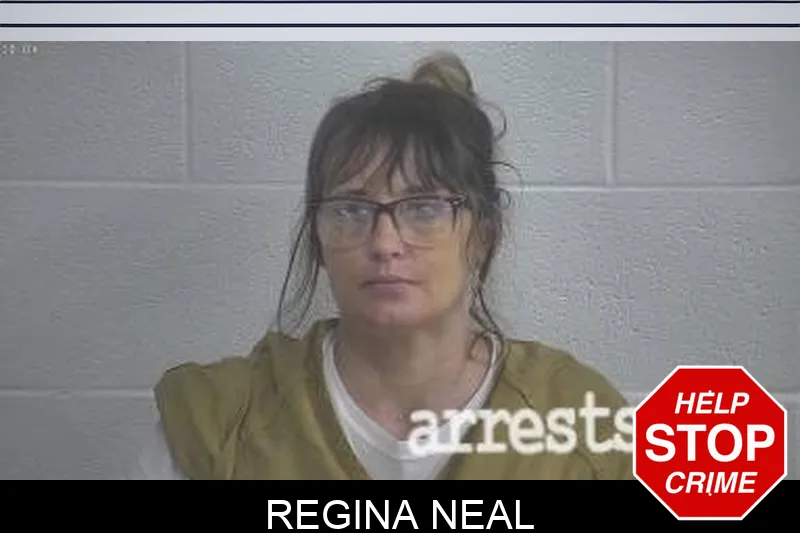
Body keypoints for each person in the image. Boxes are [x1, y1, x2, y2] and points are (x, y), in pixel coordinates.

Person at [128, 51, 633, 480]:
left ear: (482, 234)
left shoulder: (578, 425)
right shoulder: (218, 426)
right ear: (319, 239)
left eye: (424, 208)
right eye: (352, 209)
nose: (385, 242)